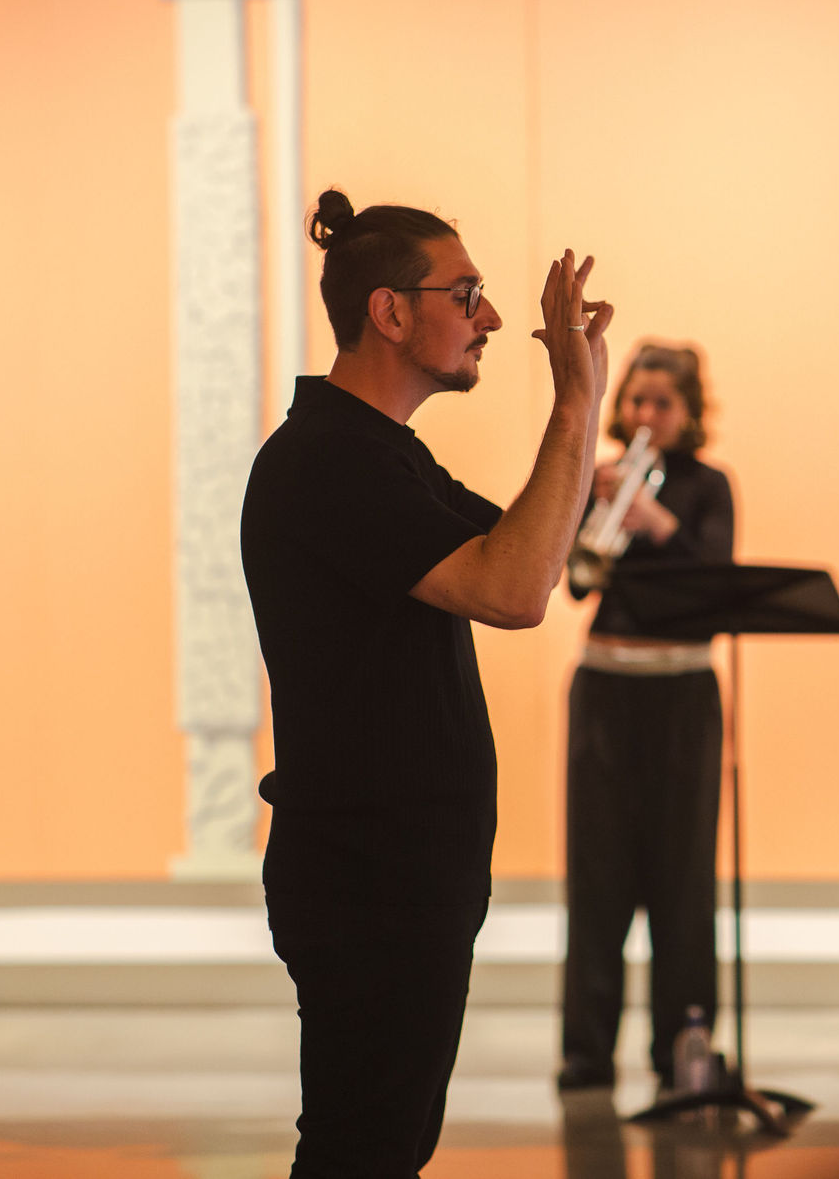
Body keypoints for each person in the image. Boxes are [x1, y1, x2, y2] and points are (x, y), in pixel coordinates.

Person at [241, 189, 612, 1179]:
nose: (490, 318)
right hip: (367, 877)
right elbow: (514, 588)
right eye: (469, 293)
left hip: (400, 873)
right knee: (360, 1155)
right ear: (390, 312)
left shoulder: (381, 456)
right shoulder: (327, 463)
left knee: (382, 1150)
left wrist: (590, 393)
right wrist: (571, 402)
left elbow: (542, 549)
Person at [556, 343, 734, 1093]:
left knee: (683, 875)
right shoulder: (595, 477)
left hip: (682, 691)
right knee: (597, 876)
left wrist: (656, 520)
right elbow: (572, 586)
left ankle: (681, 1048)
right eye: (634, 401)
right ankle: (586, 1052)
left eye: (661, 403)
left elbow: (716, 584)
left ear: (689, 413)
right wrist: (588, 508)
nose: (644, 417)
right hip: (606, 683)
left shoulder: (707, 486)